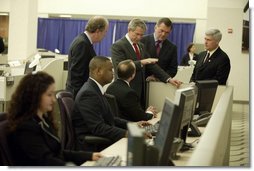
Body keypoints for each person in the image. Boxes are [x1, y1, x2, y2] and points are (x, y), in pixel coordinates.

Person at [7, 71, 102, 166]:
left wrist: (90, 156)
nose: (53, 99)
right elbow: (45, 161)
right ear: (34, 96)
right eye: (49, 95)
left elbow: (58, 153)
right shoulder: (25, 128)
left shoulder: (42, 120)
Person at [71, 56, 151, 151]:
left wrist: (133, 124)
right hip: (92, 146)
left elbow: (110, 119)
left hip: (101, 139)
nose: (113, 72)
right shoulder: (88, 93)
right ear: (98, 71)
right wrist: (129, 133)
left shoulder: (95, 89)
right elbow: (99, 128)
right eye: (110, 69)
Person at [111, 18, 181, 108]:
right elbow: (119, 67)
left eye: (142, 35)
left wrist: (169, 79)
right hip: (125, 90)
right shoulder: (118, 46)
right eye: (137, 34)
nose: (140, 37)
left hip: (141, 91)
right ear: (129, 30)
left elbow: (151, 65)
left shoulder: (140, 45)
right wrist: (141, 62)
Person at [66, 16, 109, 98]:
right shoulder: (82, 44)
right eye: (105, 32)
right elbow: (77, 75)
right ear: (98, 31)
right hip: (78, 94)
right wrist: (82, 98)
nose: (105, 35)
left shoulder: (84, 41)